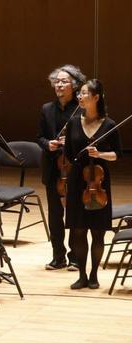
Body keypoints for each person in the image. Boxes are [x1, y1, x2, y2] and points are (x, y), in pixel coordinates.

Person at [63, 79, 121, 290]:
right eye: (80, 93)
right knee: (78, 231)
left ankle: (94, 275)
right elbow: (69, 153)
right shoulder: (73, 123)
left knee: (97, 232)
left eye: (85, 93)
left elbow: (117, 155)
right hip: (78, 182)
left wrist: (100, 154)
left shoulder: (109, 125)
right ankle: (82, 275)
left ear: (96, 97)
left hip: (99, 183)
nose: (80, 96)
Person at [37, 64, 87, 271]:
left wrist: (72, 142)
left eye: (64, 81)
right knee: (55, 215)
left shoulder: (82, 109)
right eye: (56, 81)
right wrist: (47, 144)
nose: (59, 84)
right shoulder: (46, 109)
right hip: (52, 168)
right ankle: (58, 256)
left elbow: (89, 137)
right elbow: (39, 137)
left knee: (74, 213)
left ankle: (75, 256)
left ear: (74, 85)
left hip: (75, 168)